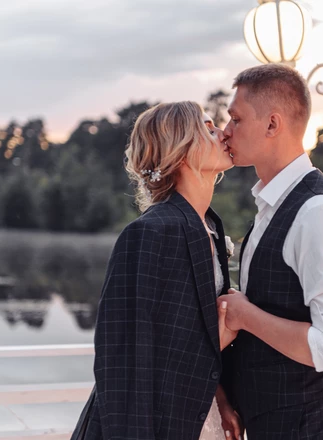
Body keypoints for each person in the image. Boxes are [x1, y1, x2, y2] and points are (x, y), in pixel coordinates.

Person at [71, 101, 243, 440]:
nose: (222, 133)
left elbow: (186, 335)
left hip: (196, 413)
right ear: (180, 150)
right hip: (151, 424)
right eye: (207, 129)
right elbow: (122, 360)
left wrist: (220, 397)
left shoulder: (209, 229)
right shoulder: (148, 234)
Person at [218, 64, 323, 439]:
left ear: (272, 125)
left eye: (236, 119)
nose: (226, 131)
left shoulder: (318, 213)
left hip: (317, 428)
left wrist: (244, 314)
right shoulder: (276, 205)